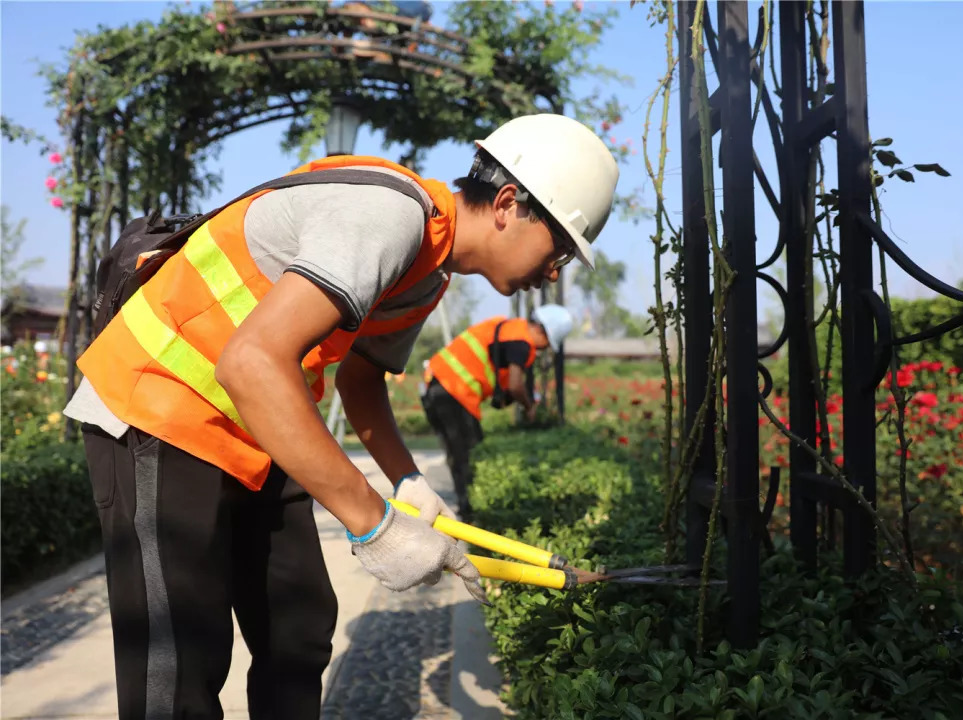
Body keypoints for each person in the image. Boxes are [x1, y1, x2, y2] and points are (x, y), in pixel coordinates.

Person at [62, 113, 618, 719]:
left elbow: (361, 378)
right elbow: (251, 363)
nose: (556, 270)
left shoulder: (429, 270)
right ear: (509, 204)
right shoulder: (388, 216)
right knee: (179, 663)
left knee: (297, 626)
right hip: (158, 410)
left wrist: (408, 481)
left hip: (253, 425)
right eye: (560, 247)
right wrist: (372, 521)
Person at [422, 304, 572, 518]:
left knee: (460, 452)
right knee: (471, 452)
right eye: (547, 343)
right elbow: (515, 384)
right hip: (454, 390)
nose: (543, 349)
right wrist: (529, 406)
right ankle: (473, 512)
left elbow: (501, 380)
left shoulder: (511, 329)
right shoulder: (522, 341)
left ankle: (468, 508)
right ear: (542, 331)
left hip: (439, 386)